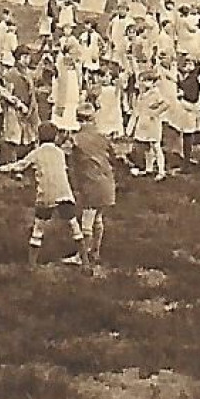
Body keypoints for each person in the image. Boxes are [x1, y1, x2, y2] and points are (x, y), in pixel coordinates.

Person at [0, 123, 88, 270]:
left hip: (46, 195)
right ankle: (85, 262)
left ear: (39, 136)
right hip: (64, 193)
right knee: (74, 226)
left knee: (38, 229)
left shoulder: (36, 153)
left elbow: (18, 166)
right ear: (55, 137)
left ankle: (31, 266)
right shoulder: (60, 152)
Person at [69, 105, 118, 273]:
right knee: (98, 219)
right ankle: (95, 251)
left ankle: (83, 256)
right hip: (107, 183)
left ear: (78, 120)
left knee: (87, 221)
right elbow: (115, 156)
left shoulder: (76, 139)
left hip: (90, 185)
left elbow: (65, 154)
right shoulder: (103, 137)